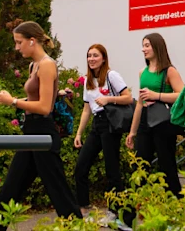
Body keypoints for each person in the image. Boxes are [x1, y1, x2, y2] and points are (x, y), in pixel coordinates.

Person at [0, 22, 81, 230]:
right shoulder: (33, 66)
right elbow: (34, 100)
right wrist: (10, 99)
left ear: (32, 41)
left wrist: (13, 102)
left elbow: (45, 107)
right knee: (11, 188)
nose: (17, 47)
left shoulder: (46, 65)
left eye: (19, 42)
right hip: (31, 131)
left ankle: (78, 227)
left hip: (43, 132)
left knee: (58, 190)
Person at [67, 44, 133, 229]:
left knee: (112, 170)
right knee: (81, 167)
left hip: (110, 123)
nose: (91, 59)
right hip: (97, 124)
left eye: (95, 55)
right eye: (89, 56)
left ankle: (115, 212)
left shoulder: (112, 75)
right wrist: (79, 133)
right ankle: (84, 210)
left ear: (103, 58)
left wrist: (108, 99)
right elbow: (86, 109)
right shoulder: (88, 80)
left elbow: (128, 98)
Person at [125, 33, 183, 199]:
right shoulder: (142, 72)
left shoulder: (169, 71)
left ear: (157, 47)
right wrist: (132, 132)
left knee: (166, 164)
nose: (143, 49)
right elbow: (140, 103)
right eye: (143, 45)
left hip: (163, 122)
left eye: (147, 45)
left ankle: (175, 201)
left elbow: (181, 94)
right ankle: (139, 203)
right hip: (145, 119)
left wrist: (156, 95)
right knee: (140, 163)